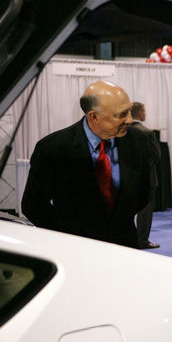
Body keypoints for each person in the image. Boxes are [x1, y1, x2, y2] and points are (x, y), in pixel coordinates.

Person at [22, 81, 150, 248]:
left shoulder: (137, 140)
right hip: (75, 249)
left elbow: (143, 192)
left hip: (125, 247)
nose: (130, 119)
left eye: (130, 112)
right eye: (121, 114)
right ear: (94, 117)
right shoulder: (53, 148)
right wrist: (65, 236)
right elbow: (34, 205)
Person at [131, 101, 161, 249]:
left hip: (128, 178)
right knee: (145, 212)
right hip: (147, 177)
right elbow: (156, 155)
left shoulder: (121, 131)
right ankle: (142, 240)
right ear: (140, 113)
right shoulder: (148, 132)